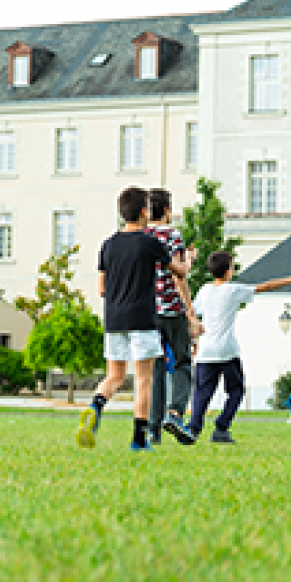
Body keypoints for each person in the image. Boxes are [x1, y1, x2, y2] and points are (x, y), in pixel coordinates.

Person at [78, 186, 191, 452]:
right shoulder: (151, 243)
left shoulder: (107, 245)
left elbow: (102, 289)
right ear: (143, 212)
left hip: (114, 319)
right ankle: (139, 440)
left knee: (114, 377)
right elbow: (180, 273)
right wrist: (190, 261)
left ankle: (95, 405)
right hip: (142, 318)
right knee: (143, 379)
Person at [187, 252, 291, 445]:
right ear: (228, 272)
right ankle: (221, 428)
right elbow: (266, 286)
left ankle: (193, 429)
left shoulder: (204, 290)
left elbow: (192, 312)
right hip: (227, 350)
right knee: (236, 390)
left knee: (202, 393)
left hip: (206, 351)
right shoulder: (233, 290)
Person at [144, 188, 199, 445]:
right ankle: (175, 413)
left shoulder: (142, 235)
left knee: (155, 369)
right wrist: (190, 311)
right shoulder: (171, 234)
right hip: (172, 309)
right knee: (183, 363)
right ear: (166, 210)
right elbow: (180, 276)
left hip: (148, 311)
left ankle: (153, 428)